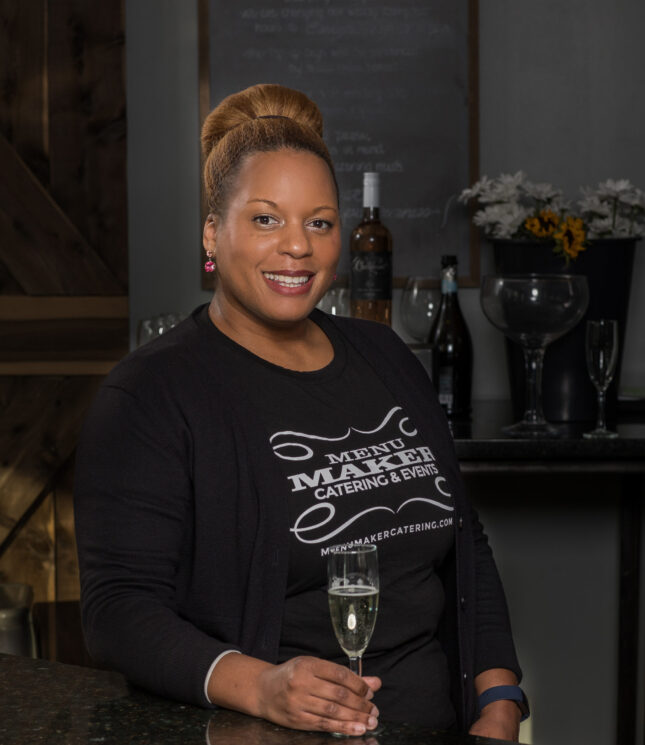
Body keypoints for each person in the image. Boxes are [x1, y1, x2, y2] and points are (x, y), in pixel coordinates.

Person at [74, 83, 527, 740]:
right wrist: (261, 687)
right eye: (266, 219)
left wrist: (500, 700)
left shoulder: (385, 356)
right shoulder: (151, 393)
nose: (297, 247)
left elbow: (465, 542)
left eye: (319, 222)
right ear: (212, 231)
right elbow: (118, 611)